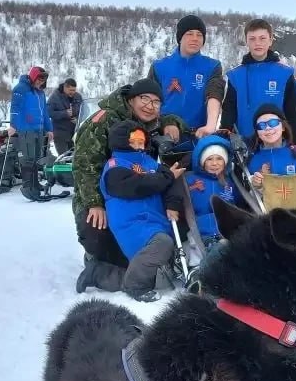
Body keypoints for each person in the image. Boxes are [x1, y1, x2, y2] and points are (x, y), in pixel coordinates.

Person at [71, 78, 185, 284]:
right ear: (131, 99)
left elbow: (173, 120)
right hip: (103, 194)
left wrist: (172, 123)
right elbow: (84, 163)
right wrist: (94, 203)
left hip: (137, 197)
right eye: (144, 99)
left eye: (156, 102)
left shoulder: (148, 122)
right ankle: (100, 262)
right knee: (97, 228)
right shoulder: (105, 120)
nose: (150, 106)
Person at [78, 120, 186, 302]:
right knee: (162, 245)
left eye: (141, 141)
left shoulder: (148, 161)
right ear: (121, 141)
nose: (138, 145)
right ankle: (134, 285)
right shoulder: (115, 166)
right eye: (133, 141)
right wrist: (166, 176)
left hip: (156, 221)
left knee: (162, 276)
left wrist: (172, 203)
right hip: (132, 224)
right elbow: (138, 186)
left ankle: (98, 273)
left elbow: (170, 183)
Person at [220, 18, 296, 145]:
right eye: (252, 39)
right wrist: (224, 137)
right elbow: (229, 110)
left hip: (277, 144)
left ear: (270, 41)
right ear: (246, 41)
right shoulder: (236, 75)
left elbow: (293, 111)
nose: (257, 43)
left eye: (262, 38)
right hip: (244, 145)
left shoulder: (284, 73)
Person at [148, 15, 225, 138]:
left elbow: (214, 94)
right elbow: (150, 102)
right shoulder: (159, 66)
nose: (195, 38)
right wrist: (162, 125)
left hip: (199, 135)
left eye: (199, 35)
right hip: (167, 134)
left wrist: (210, 126)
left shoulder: (212, 66)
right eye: (189, 34)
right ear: (180, 37)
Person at [183, 134, 242, 252]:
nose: (214, 163)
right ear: (202, 162)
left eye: (219, 158)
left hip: (228, 230)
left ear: (225, 162)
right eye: (209, 159)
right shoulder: (189, 179)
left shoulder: (230, 181)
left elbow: (238, 203)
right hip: (201, 230)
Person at [10, 66, 54, 194]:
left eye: (43, 80)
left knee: (36, 158)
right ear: (33, 76)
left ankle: (35, 183)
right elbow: (15, 108)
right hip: (26, 129)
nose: (41, 82)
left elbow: (44, 112)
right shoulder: (21, 89)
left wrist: (49, 129)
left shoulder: (40, 93)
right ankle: (28, 185)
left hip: (38, 129)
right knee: (28, 158)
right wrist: (13, 125)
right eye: (39, 79)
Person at [47, 78, 83, 154]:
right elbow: (48, 112)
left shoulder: (78, 97)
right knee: (64, 158)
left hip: (74, 133)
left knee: (74, 157)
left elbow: (84, 110)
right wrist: (64, 113)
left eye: (74, 90)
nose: (72, 92)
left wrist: (78, 118)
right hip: (60, 133)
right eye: (70, 90)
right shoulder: (55, 97)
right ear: (65, 88)